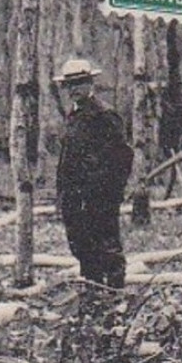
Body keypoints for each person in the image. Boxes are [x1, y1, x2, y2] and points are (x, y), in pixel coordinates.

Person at [54, 58, 134, 290]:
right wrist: (62, 194)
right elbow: (67, 160)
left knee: (107, 245)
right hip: (74, 196)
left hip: (99, 196)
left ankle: (116, 294)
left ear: (90, 84)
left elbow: (122, 158)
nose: (74, 89)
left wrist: (108, 192)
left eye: (80, 83)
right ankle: (93, 293)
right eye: (70, 85)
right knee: (81, 246)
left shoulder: (104, 115)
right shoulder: (73, 116)